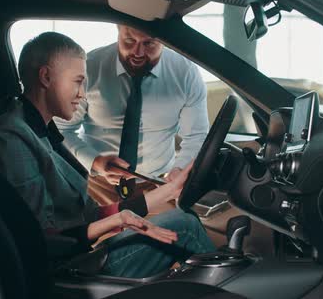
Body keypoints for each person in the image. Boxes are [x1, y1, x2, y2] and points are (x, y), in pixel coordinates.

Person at [0, 32, 215, 278]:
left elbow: (90, 214)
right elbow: (41, 240)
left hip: (81, 252)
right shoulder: (11, 138)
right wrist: (116, 222)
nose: (83, 94)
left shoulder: (41, 128)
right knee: (187, 228)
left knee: (182, 220)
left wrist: (168, 190)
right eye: (78, 81)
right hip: (67, 269)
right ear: (46, 77)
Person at [54, 25, 209, 207]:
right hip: (96, 184)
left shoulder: (185, 73)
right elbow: (60, 131)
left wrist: (179, 171)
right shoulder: (90, 68)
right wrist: (95, 162)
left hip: (158, 184)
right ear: (118, 31)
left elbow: (196, 135)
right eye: (129, 41)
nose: (138, 52)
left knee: (181, 231)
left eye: (149, 43)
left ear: (164, 42)